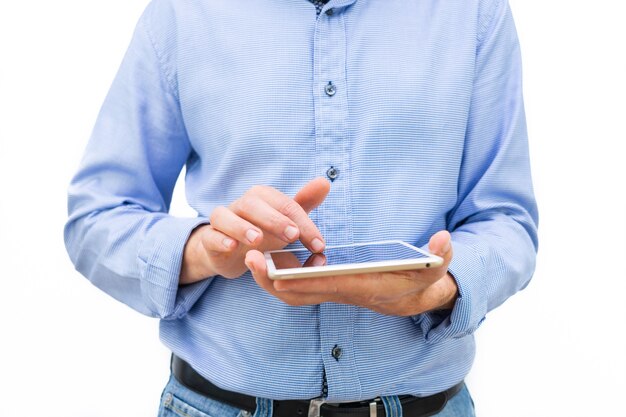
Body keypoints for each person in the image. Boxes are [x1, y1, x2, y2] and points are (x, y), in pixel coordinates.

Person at [64, 0, 538, 416]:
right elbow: (96, 218)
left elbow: (507, 221)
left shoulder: (474, 12)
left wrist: (442, 290)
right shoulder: (181, 13)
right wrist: (207, 250)